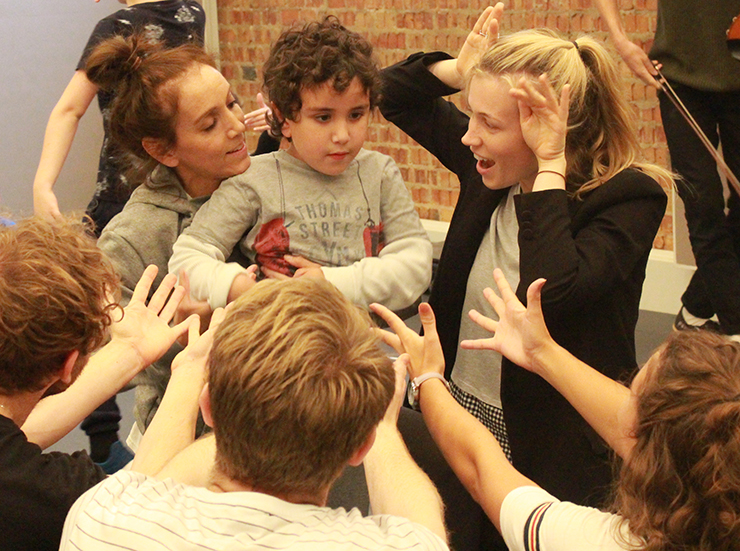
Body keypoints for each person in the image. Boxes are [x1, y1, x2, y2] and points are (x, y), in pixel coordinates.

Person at [379, 5, 671, 546]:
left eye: (489, 123)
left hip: (552, 440)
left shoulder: (628, 196)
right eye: (470, 115)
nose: (469, 137)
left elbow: (553, 292)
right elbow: (391, 92)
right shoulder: (487, 165)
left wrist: (551, 167)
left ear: (548, 129)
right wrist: (459, 72)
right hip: (463, 408)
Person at [60, 278, 449, 551]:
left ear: (208, 408)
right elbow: (421, 526)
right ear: (361, 446)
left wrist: (190, 368)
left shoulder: (102, 518)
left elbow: (148, 482)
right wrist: (380, 424)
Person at [373, 268, 740, 551]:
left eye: (631, 394)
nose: (621, 397)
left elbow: (482, 469)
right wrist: (542, 353)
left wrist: (428, 380)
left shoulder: (595, 541)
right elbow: (660, 427)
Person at [169, 16, 432, 313]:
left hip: (368, 346)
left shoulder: (379, 173)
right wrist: (243, 288)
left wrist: (330, 284)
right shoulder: (254, 180)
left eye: (356, 115)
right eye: (323, 117)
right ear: (284, 119)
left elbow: (416, 264)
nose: (343, 135)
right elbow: (187, 259)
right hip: (281, 346)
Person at [83, 33, 257, 437]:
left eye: (232, 103)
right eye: (210, 124)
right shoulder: (132, 238)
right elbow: (108, 360)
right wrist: (178, 339)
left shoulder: (263, 183)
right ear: (164, 151)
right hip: (187, 426)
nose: (236, 126)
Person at [0, 215, 193, 551]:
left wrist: (129, 352)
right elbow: (136, 507)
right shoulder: (48, 494)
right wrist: (193, 369)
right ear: (69, 364)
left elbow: (16, 440)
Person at [594, 0, 740, 337]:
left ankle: (696, 306)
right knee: (703, 206)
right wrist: (621, 42)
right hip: (678, 80)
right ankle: (735, 327)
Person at [33, 0, 206, 232]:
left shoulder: (114, 27)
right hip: (182, 183)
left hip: (123, 192)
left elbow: (69, 110)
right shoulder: (192, 13)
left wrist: (42, 186)